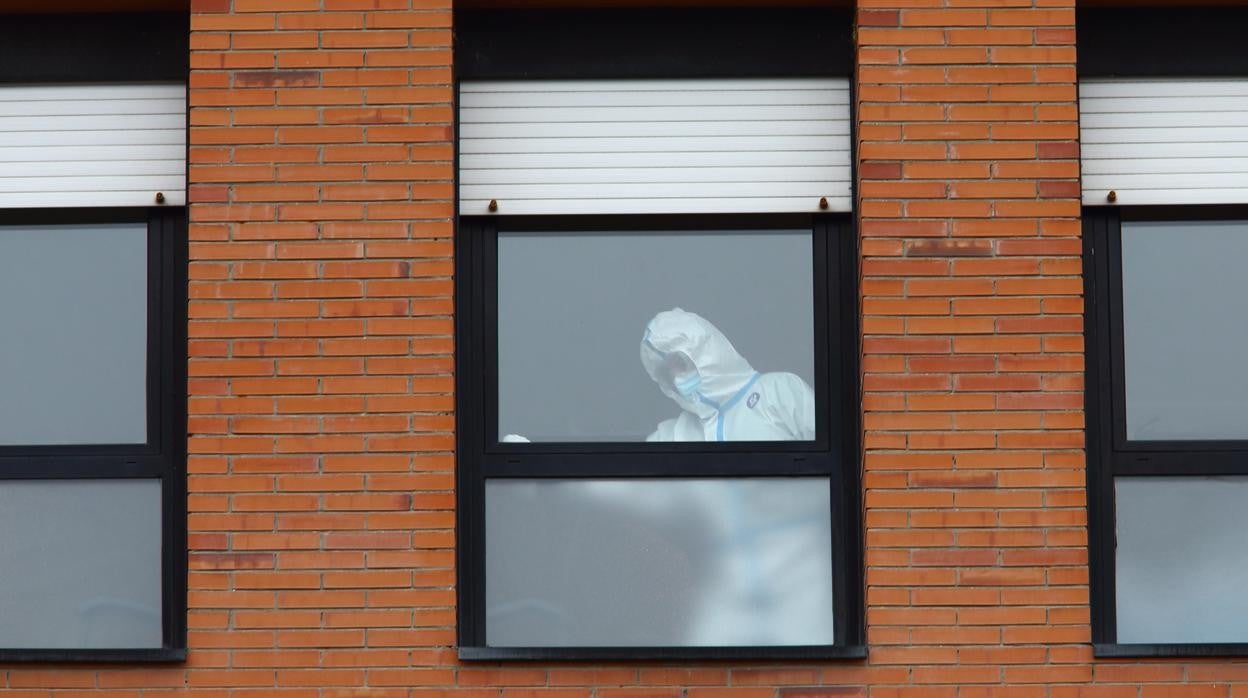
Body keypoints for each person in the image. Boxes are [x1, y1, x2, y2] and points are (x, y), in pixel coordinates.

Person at [640, 308, 815, 442]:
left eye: (680, 363)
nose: (677, 379)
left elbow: (836, 454)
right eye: (668, 373)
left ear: (702, 351)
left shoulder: (779, 392)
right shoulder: (673, 436)